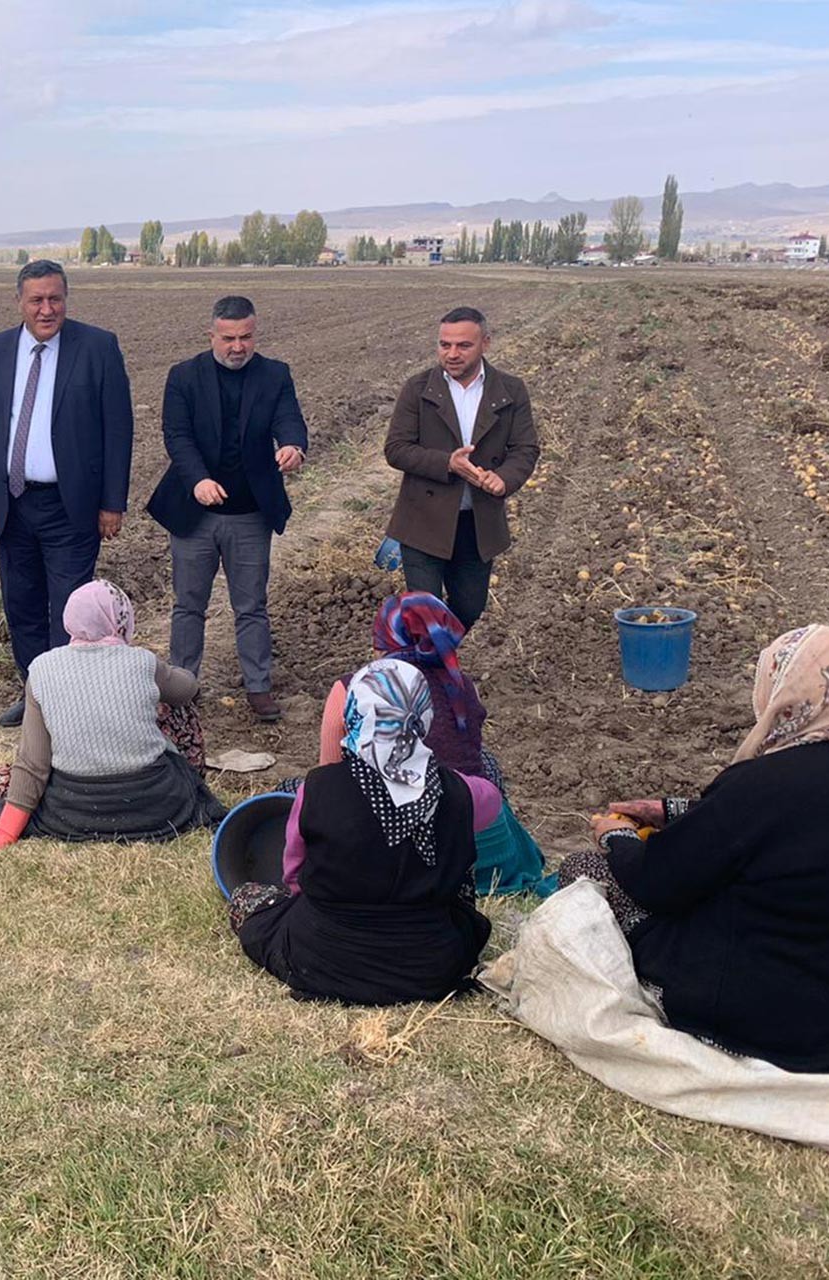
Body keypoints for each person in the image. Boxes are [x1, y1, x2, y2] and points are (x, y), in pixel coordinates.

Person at [562, 625, 829, 1074]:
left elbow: (659, 883)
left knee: (585, 869)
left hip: (771, 1016)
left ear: (785, 693)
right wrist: (674, 810)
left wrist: (615, 835)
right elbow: (802, 829)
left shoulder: (764, 786)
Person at [227, 660, 500, 1005]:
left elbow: (294, 875)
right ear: (422, 716)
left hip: (324, 957)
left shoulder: (318, 787)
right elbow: (492, 801)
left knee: (247, 897)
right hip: (432, 963)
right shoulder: (457, 791)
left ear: (353, 714)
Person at [0, 260, 135, 727]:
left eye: (55, 298)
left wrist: (112, 502)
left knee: (70, 609)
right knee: (22, 606)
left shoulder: (97, 348)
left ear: (66, 299)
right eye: (36, 300)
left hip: (71, 506)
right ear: (19, 301)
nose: (47, 308)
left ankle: (67, 703)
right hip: (11, 505)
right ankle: (35, 693)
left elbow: (118, 430)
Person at [0, 580, 224, 858]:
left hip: (74, 812)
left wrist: (5, 833)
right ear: (121, 618)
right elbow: (188, 690)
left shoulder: (41, 669)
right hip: (156, 805)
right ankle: (195, 770)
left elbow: (33, 764)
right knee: (177, 704)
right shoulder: (141, 662)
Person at [315, 592, 551, 895]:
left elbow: (328, 776)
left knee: (302, 789)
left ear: (383, 640)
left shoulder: (351, 689)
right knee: (485, 763)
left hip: (406, 862)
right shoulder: (461, 685)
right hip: (483, 845)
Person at [147, 295, 308, 722]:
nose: (238, 346)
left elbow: (289, 419)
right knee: (188, 604)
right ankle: (183, 684)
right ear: (211, 335)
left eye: (246, 337)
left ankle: (258, 687)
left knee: (251, 605)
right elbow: (176, 436)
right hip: (193, 513)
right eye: (228, 338)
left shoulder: (275, 375)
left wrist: (293, 446)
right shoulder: (184, 377)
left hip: (251, 514)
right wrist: (198, 479)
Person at [382, 307, 540, 629]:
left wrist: (504, 479)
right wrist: (447, 463)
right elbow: (396, 449)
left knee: (469, 607)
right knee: (425, 614)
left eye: (463, 346)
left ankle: (435, 657)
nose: (451, 354)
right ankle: (429, 672)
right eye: (444, 345)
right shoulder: (417, 388)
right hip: (423, 520)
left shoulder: (510, 391)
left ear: (486, 343)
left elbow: (525, 448)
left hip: (477, 523)